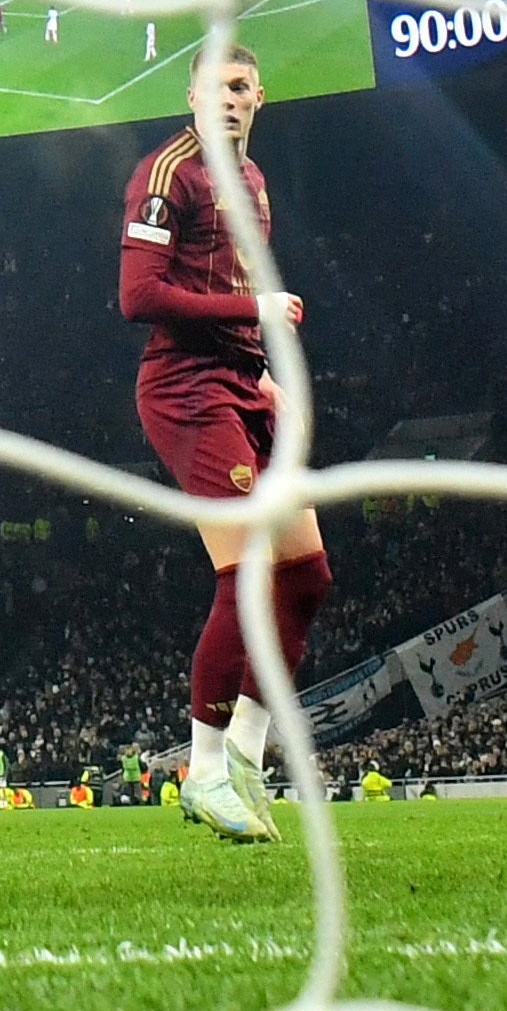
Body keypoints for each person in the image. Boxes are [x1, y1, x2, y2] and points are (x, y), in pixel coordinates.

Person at [119, 47, 329, 846]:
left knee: (306, 576)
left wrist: (266, 368)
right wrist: (255, 305)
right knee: (246, 575)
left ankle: (244, 751)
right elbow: (138, 295)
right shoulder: (167, 171)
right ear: (192, 98)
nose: (228, 101)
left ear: (259, 96)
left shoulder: (257, 183)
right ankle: (202, 768)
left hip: (242, 383)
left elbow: (235, 283)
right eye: (214, 90)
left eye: (240, 87)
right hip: (185, 387)